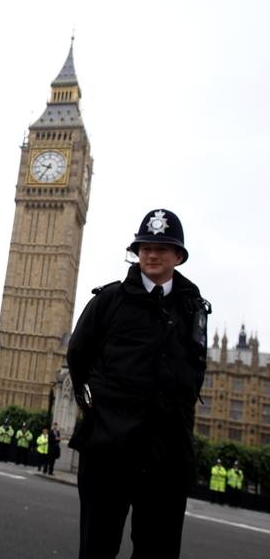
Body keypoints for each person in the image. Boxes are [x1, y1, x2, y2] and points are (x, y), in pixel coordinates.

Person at [68, 208, 210, 559]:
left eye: (162, 248)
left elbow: (195, 371)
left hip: (167, 457)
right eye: (145, 246)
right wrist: (99, 409)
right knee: (97, 548)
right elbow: (78, 357)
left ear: (178, 256)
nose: (151, 254)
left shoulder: (195, 308)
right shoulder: (109, 300)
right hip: (109, 450)